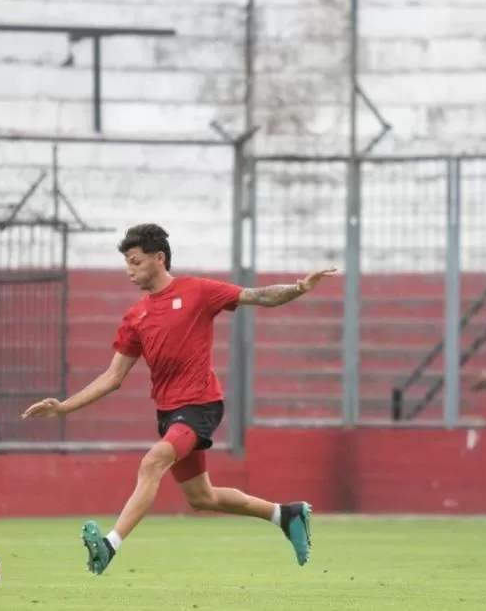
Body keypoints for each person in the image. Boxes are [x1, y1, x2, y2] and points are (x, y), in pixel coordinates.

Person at [21, 223, 337, 575]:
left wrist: (298, 288)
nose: (130, 269)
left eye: (136, 261)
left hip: (200, 405)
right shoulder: (135, 317)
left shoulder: (198, 291)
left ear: (159, 258)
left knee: (152, 462)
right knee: (202, 497)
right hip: (170, 413)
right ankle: (286, 515)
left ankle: (109, 546)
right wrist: (64, 406)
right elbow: (113, 378)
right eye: (127, 262)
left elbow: (259, 296)